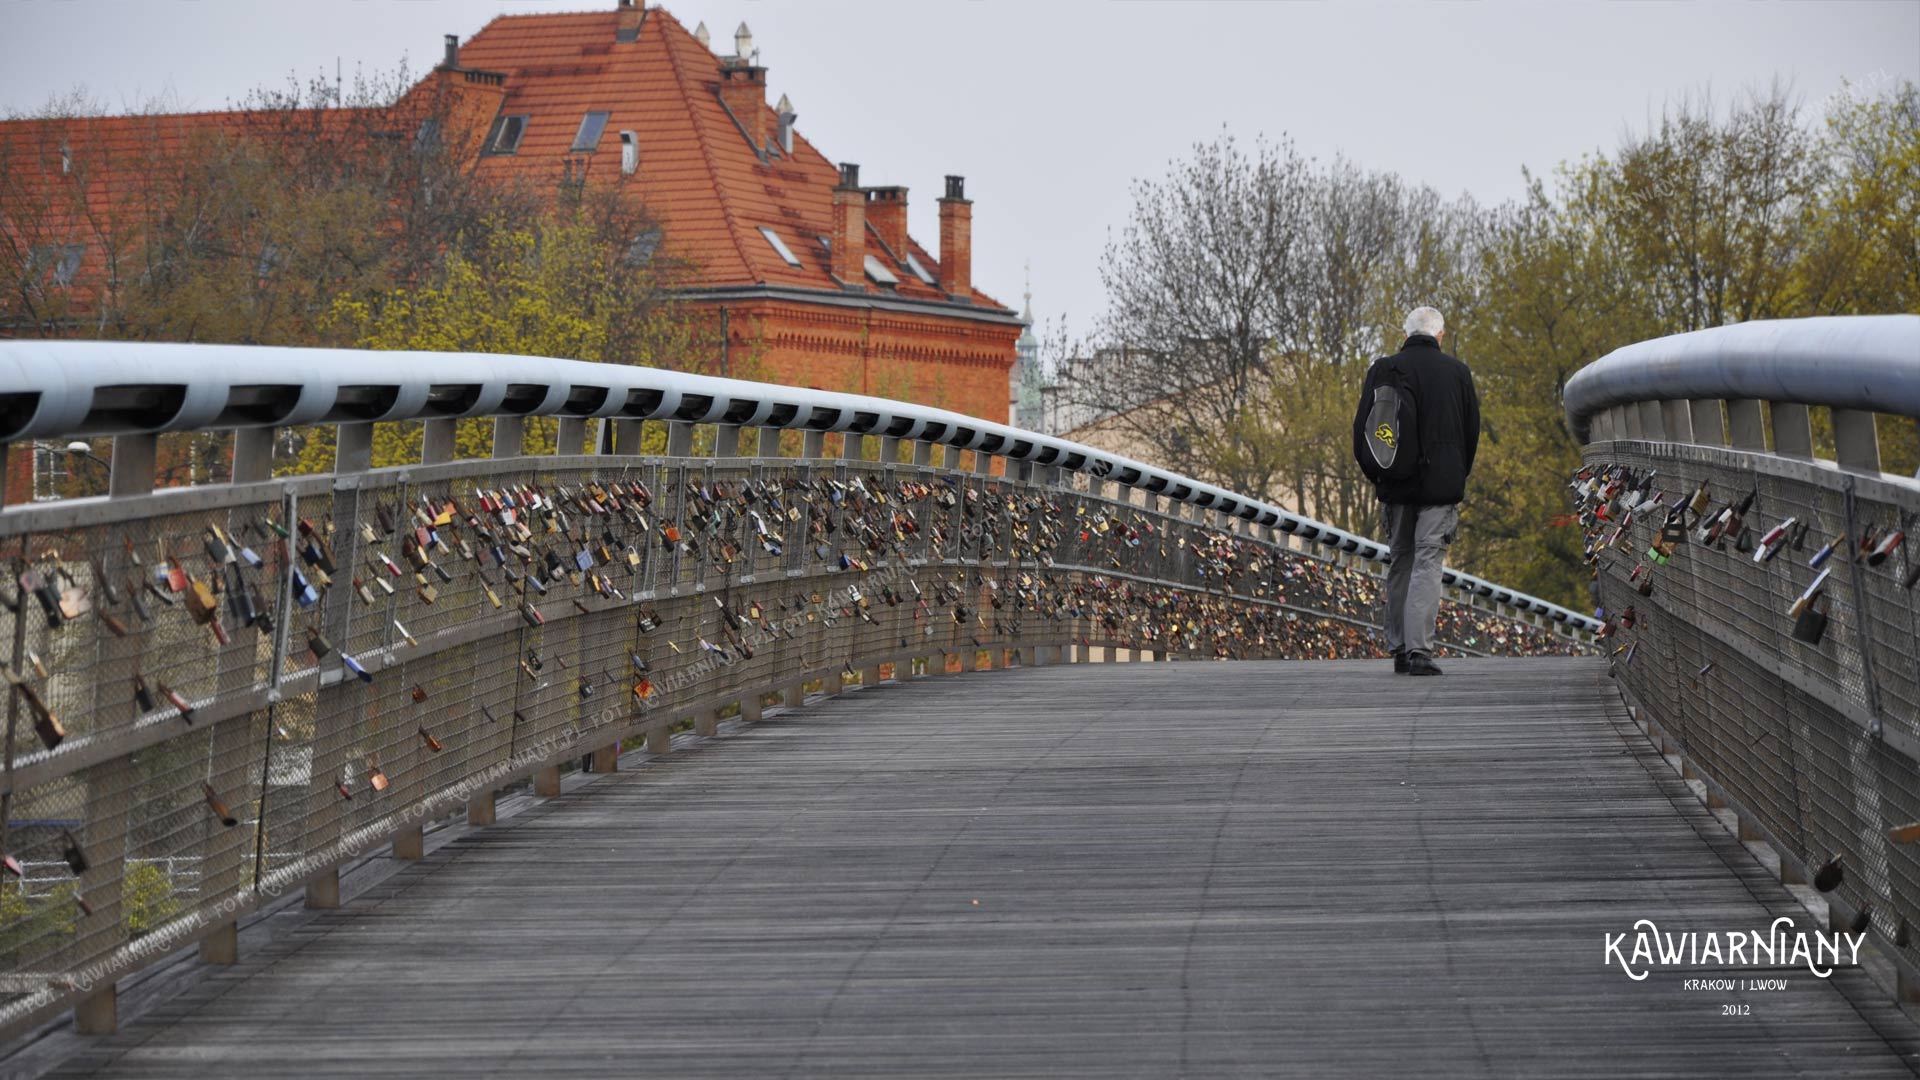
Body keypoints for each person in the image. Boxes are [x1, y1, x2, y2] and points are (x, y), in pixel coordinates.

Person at [1351, 306, 1480, 676]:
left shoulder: (1384, 369)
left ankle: (1400, 649)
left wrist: (1379, 475)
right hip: (1441, 485)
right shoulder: (1457, 373)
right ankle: (1420, 651)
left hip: (1396, 482)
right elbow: (1471, 433)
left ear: (1405, 334)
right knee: (1428, 562)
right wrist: (1456, 473)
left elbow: (1364, 428)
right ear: (1440, 336)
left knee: (1401, 561)